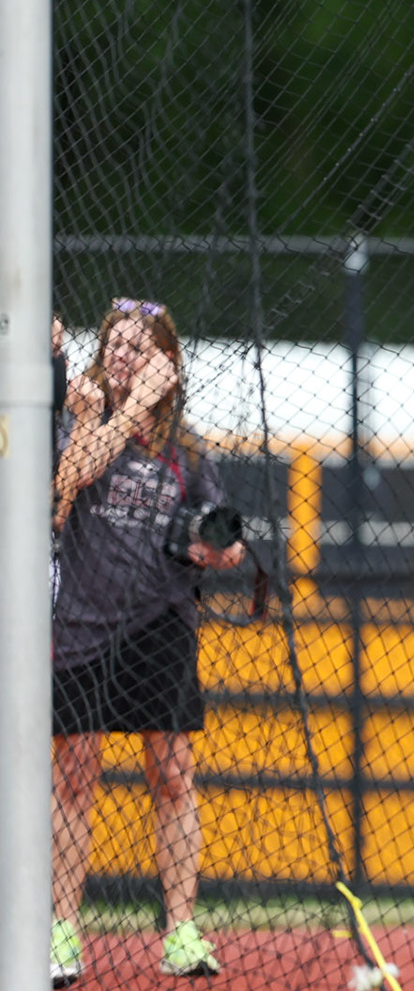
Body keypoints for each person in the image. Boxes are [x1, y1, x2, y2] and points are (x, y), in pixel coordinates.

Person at [50, 299, 246, 985]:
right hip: (80, 620)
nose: (124, 356)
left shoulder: (186, 448)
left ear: (166, 359)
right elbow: (71, 477)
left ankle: (182, 929)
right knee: (76, 776)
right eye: (116, 344)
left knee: (172, 775)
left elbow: (221, 533)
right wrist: (120, 408)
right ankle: (64, 931)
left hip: (161, 619)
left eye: (140, 347)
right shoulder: (81, 420)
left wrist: (216, 547)